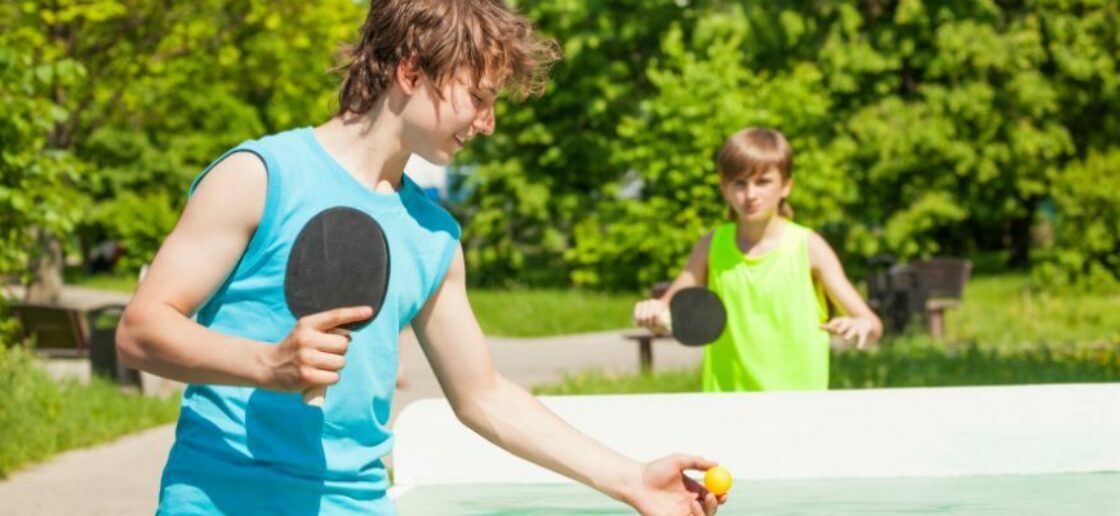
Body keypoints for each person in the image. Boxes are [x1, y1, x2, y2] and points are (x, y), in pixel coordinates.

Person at [116, 1, 726, 514]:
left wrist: (629, 479)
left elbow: (483, 394)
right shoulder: (259, 175)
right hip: (223, 497)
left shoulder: (434, 234)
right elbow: (141, 332)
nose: (487, 123)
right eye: (479, 98)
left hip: (357, 502)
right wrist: (266, 363)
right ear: (411, 71)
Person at [633, 128, 883, 392]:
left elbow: (873, 327)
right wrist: (652, 314)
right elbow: (667, 313)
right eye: (740, 183)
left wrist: (861, 327)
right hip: (727, 404)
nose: (751, 194)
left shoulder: (808, 247)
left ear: (786, 186)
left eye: (763, 182)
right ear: (724, 188)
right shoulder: (711, 246)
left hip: (798, 406)